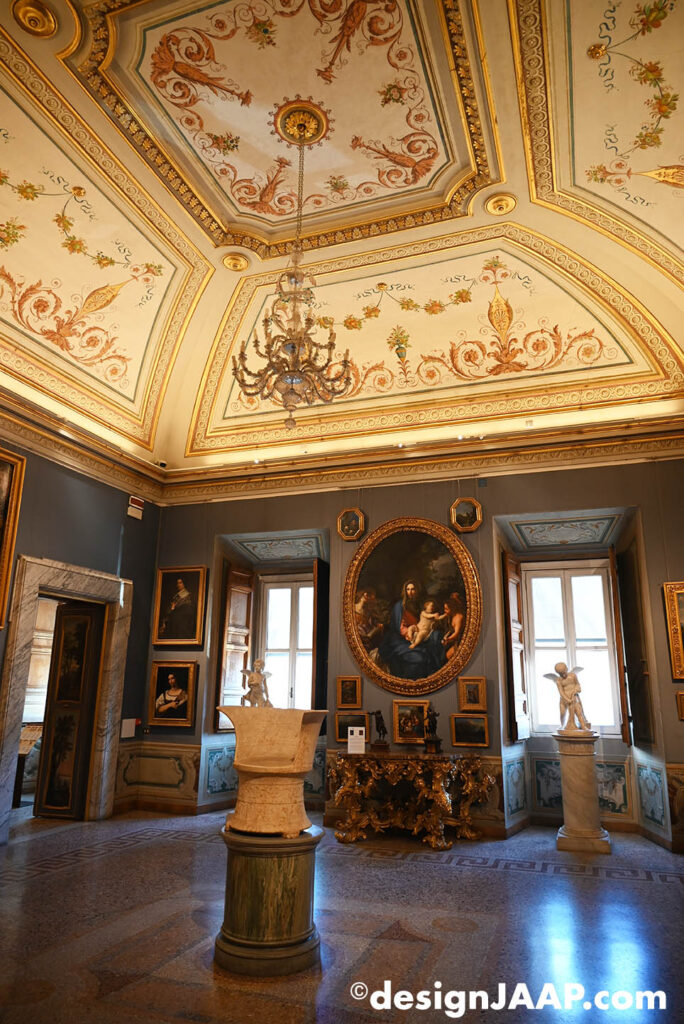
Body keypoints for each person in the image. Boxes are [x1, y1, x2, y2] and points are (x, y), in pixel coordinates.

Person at [378, 579, 446, 680]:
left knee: (434, 644)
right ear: (405, 591)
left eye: (413, 589)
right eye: (408, 589)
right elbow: (400, 627)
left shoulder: (420, 605)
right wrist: (409, 634)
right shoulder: (400, 606)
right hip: (401, 638)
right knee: (418, 658)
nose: (410, 592)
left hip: (420, 634)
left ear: (417, 590)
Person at [543, 662, 591, 732]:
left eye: (564, 672)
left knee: (578, 712)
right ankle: (562, 725)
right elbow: (561, 692)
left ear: (567, 669)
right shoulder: (559, 680)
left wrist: (576, 690)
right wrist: (567, 699)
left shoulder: (573, 676)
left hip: (574, 697)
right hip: (564, 700)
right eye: (561, 674)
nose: (563, 675)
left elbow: (577, 684)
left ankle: (583, 726)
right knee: (562, 714)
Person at [441, 593, 465, 660]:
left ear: (452, 608)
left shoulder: (458, 618)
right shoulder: (451, 615)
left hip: (460, 641)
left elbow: (456, 633)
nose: (445, 611)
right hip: (452, 640)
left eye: (446, 609)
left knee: (448, 656)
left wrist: (448, 639)